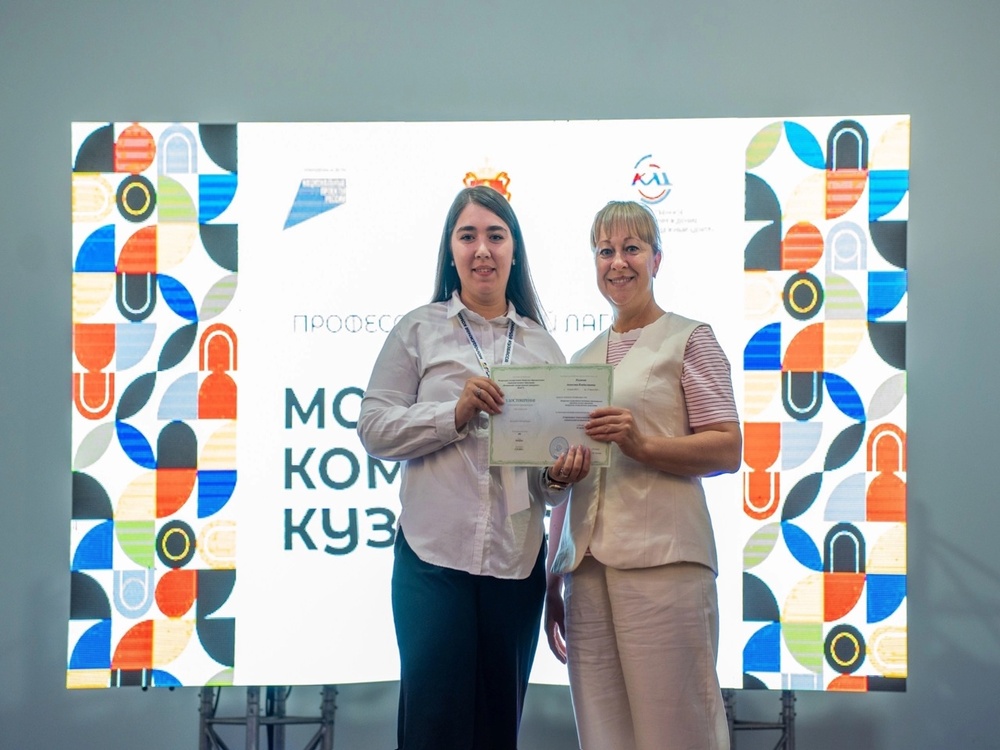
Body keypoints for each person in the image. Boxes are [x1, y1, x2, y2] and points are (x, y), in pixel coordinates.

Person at [357, 185, 591, 750]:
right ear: (451, 250)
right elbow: (374, 429)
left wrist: (557, 478)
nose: (482, 249)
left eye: (495, 236)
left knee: (496, 730)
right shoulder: (418, 330)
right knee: (432, 729)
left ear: (514, 250)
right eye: (468, 236)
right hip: (432, 560)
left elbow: (544, 484)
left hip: (516, 563)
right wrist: (453, 414)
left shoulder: (543, 348)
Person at [544, 200, 742, 750]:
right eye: (604, 251)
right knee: (603, 737)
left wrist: (643, 445)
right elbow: (570, 482)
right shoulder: (581, 359)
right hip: (585, 574)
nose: (618, 262)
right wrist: (553, 578)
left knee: (678, 733)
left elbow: (728, 448)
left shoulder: (689, 338)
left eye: (631, 248)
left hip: (665, 564)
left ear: (657, 259)